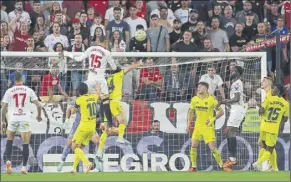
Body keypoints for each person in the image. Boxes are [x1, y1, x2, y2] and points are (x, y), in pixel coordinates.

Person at [96, 60, 143, 162]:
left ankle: (99, 152)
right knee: (123, 122)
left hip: (106, 104)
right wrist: (138, 64)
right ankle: (120, 137)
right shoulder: (118, 74)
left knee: (106, 129)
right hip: (115, 102)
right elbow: (129, 68)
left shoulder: (107, 79)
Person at [65, 45, 117, 137]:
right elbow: (114, 68)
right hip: (100, 81)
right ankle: (109, 125)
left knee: (83, 97)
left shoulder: (91, 48)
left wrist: (67, 54)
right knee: (105, 103)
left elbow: (78, 59)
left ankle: (71, 121)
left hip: (90, 80)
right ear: (105, 44)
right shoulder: (107, 52)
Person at [1, 72, 42, 174]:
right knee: (25, 143)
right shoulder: (29, 90)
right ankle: (24, 167)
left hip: (13, 118)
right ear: (22, 79)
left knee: (9, 141)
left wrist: (2, 121)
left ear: (14, 80)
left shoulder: (9, 91)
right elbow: (39, 105)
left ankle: (8, 162)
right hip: (24, 118)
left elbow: (3, 108)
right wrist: (39, 116)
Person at [57, 82, 101, 172]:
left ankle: (88, 163)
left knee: (74, 147)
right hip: (91, 127)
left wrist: (71, 110)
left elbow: (72, 111)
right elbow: (98, 92)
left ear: (78, 92)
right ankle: (73, 168)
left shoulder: (79, 100)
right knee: (78, 147)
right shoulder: (94, 97)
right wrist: (97, 84)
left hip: (83, 127)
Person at [187, 82, 224, 172]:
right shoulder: (194, 99)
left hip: (208, 127)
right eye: (198, 86)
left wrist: (213, 119)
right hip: (198, 126)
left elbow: (221, 111)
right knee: (193, 145)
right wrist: (188, 123)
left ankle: (222, 165)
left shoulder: (211, 99)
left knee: (212, 148)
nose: (198, 88)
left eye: (200, 87)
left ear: (206, 89)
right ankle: (194, 167)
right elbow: (191, 112)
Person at [253, 85, 289, 171]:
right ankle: (258, 163)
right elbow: (285, 118)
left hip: (264, 125)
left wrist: (261, 109)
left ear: (279, 92)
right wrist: (278, 120)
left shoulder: (269, 98)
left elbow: (261, 110)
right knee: (270, 148)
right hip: (273, 127)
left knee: (264, 147)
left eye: (275, 89)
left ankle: (274, 168)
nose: (273, 90)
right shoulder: (286, 104)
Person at [220, 66, 245, 172]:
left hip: (237, 109)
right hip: (235, 109)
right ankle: (231, 159)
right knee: (229, 132)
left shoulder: (237, 83)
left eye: (234, 70)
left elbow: (237, 98)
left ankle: (233, 158)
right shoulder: (234, 83)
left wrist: (224, 101)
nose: (231, 71)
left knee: (231, 131)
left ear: (238, 73)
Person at [258, 77, 278, 171]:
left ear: (269, 84)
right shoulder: (267, 94)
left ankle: (272, 166)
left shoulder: (270, 94)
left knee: (266, 145)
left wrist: (260, 108)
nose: (262, 82)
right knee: (265, 145)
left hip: (268, 124)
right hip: (265, 122)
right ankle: (271, 165)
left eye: (264, 81)